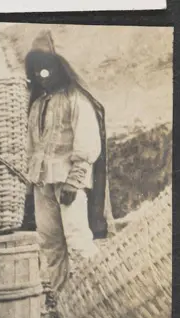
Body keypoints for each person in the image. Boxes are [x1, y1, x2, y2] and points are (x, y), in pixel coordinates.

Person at [25, 30, 114, 294]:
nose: (43, 74)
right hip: (43, 183)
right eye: (38, 69)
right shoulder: (37, 106)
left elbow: (87, 143)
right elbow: (31, 146)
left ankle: (104, 294)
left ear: (60, 67)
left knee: (77, 239)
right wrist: (31, 182)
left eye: (48, 67)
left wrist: (74, 181)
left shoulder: (76, 99)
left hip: (67, 182)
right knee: (50, 244)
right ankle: (63, 300)